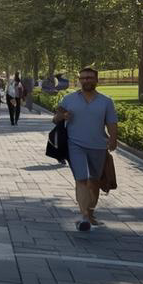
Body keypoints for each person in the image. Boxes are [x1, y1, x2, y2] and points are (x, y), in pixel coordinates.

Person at [52, 67, 119, 232]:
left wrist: (113, 139)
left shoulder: (106, 101)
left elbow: (111, 122)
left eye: (89, 78)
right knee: (81, 179)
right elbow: (55, 119)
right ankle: (83, 216)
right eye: (83, 78)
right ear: (79, 80)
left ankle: (90, 212)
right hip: (75, 145)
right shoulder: (69, 99)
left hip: (98, 146)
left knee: (94, 181)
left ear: (96, 80)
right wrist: (62, 116)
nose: (86, 80)